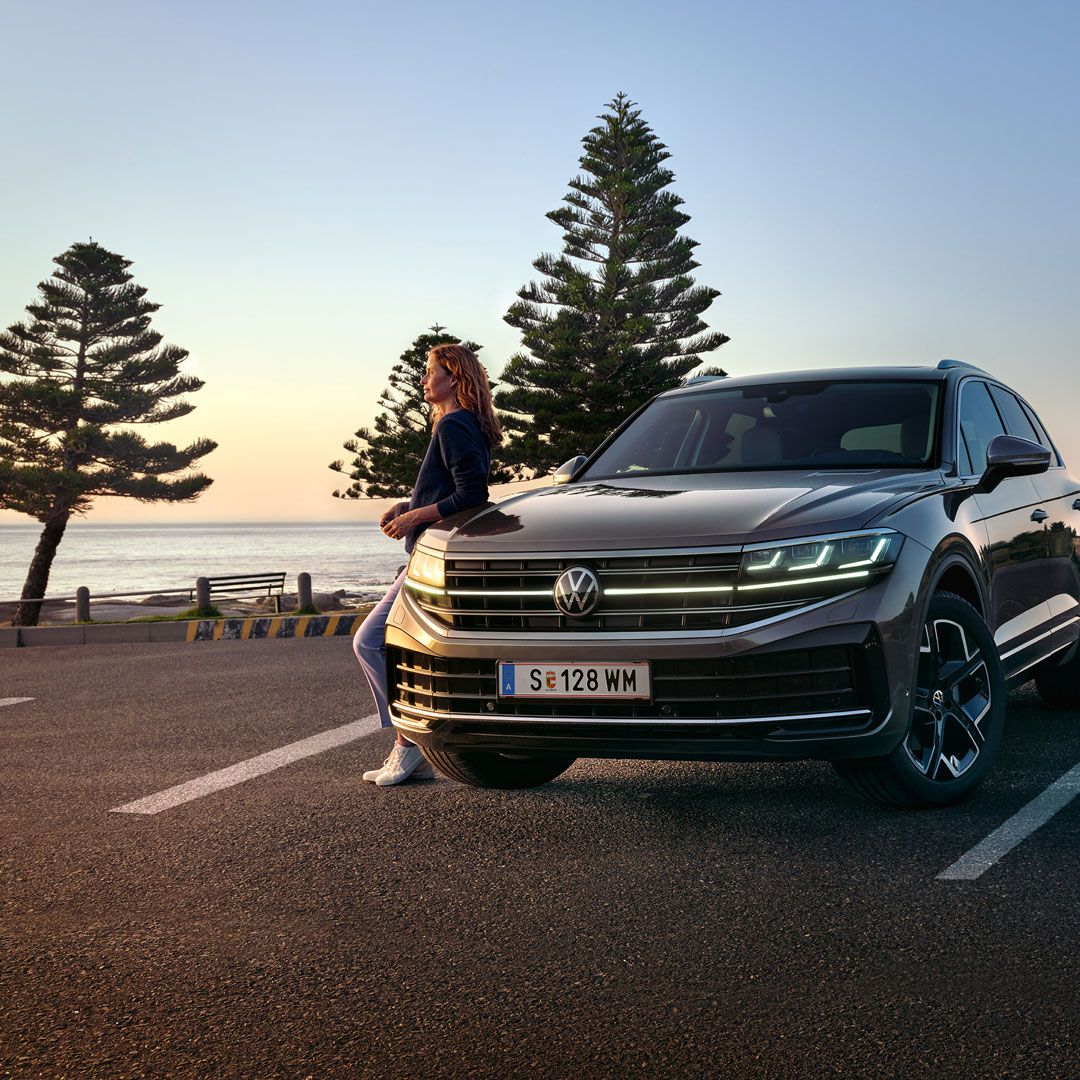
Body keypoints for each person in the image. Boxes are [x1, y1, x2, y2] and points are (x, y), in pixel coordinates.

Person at [353, 343, 502, 786]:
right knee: (387, 644)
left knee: (370, 641)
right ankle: (413, 745)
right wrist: (408, 503)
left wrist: (415, 517)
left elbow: (473, 496)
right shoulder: (462, 424)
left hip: (429, 561)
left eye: (430, 371)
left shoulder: (455, 424)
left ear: (453, 377)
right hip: (434, 557)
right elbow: (454, 490)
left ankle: (409, 744)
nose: (423, 379)